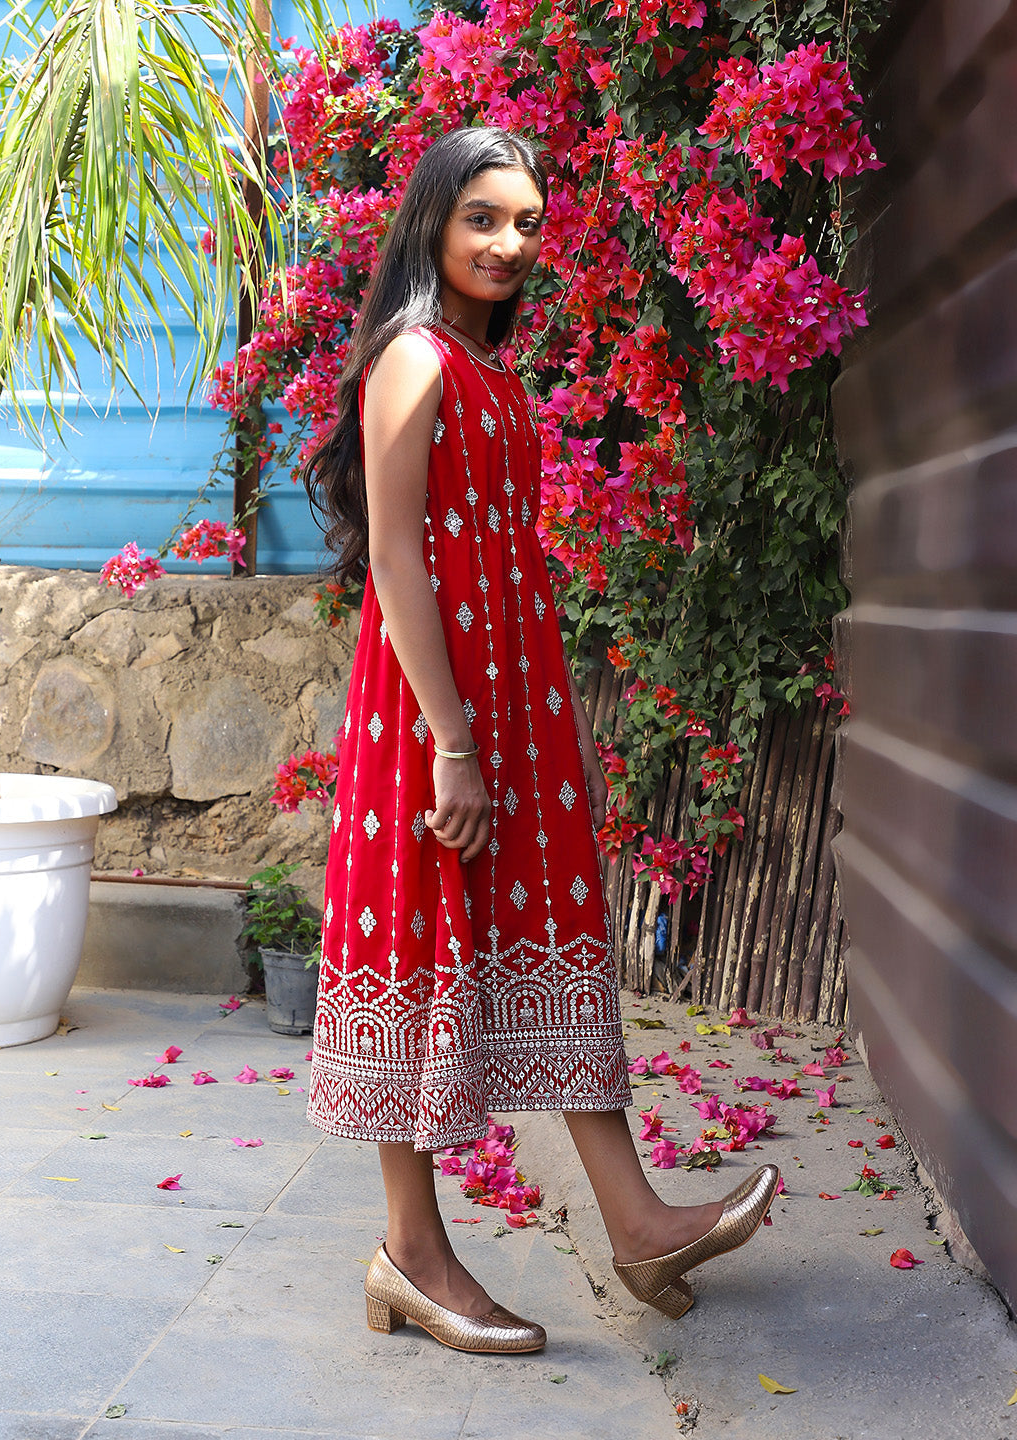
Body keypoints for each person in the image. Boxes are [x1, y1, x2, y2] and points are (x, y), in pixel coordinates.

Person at [302, 125, 778, 1355]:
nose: (510, 243)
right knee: (420, 943)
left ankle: (634, 1221)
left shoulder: (487, 369)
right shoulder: (412, 360)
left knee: (544, 927)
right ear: (431, 224)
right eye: (483, 219)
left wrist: (521, 728)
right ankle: (411, 1252)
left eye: (526, 223)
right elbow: (399, 557)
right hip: (435, 707)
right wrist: (452, 744)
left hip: (509, 698)